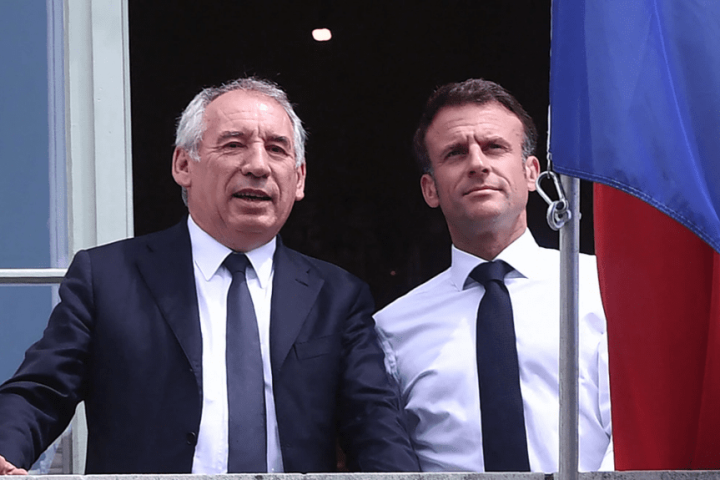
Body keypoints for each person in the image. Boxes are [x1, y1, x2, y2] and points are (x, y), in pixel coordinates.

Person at [0, 77, 419, 475]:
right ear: (184, 164)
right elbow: (41, 392)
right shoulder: (108, 278)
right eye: (234, 145)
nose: (258, 165)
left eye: (277, 149)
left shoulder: (337, 296)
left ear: (299, 178)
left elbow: (374, 422)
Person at [373, 79, 612, 472]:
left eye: (495, 147)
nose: (477, 164)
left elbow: (635, 430)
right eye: (454, 153)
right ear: (430, 189)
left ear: (531, 172)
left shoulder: (601, 287)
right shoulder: (392, 329)